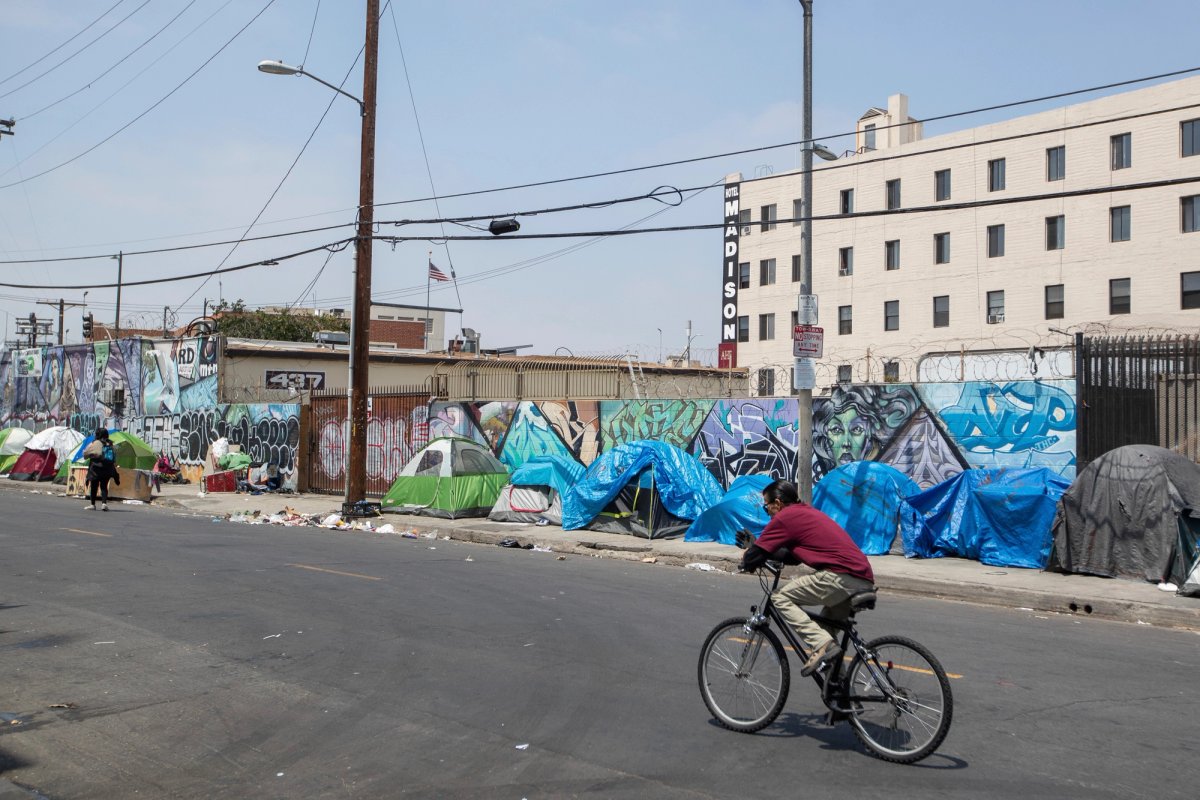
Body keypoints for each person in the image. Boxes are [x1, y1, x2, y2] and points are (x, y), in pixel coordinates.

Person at [739, 478, 875, 677]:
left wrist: (748, 556)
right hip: (860, 577)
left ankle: (823, 646)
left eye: (766, 506)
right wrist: (758, 549)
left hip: (840, 576)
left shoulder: (785, 518)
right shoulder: (805, 513)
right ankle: (843, 701)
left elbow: (753, 557)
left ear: (777, 503)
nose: (766, 511)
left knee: (779, 598)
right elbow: (791, 557)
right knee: (823, 632)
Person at [85, 428, 118, 511]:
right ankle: (104, 504)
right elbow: (114, 458)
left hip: (96, 468)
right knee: (104, 486)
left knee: (94, 486)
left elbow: (86, 453)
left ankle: (92, 504)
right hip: (107, 468)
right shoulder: (110, 444)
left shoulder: (95, 443)